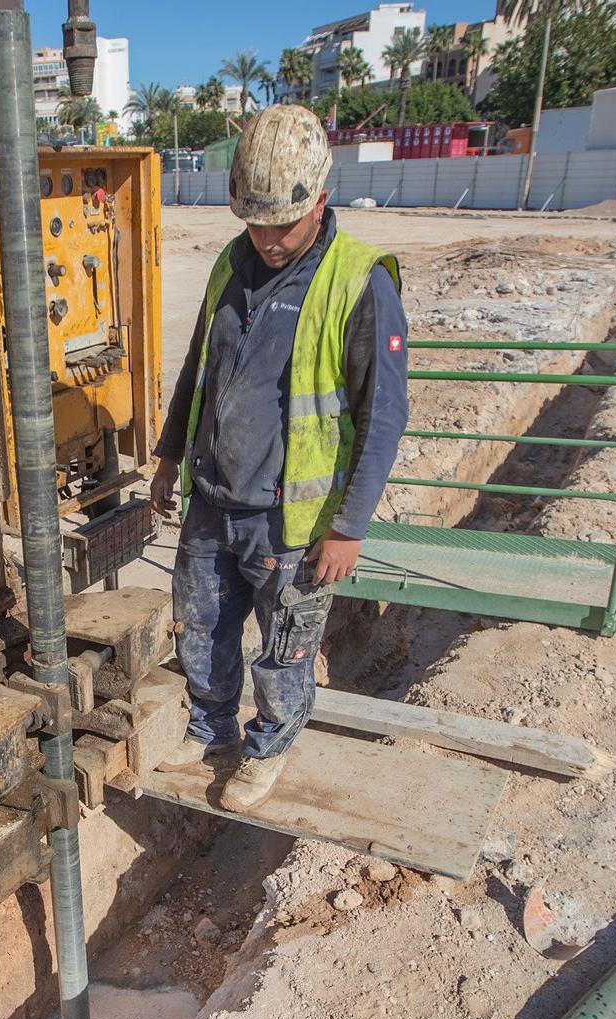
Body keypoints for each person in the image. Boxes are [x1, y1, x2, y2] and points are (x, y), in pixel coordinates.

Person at [149, 105, 409, 813]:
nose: (265, 239)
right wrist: (170, 456)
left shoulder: (359, 283)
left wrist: (349, 524)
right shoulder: (232, 264)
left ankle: (269, 746)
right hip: (213, 498)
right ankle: (211, 729)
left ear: (319, 200)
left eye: (281, 226)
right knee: (201, 625)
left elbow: (383, 417)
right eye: (253, 222)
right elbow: (197, 370)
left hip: (290, 519)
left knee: (285, 646)